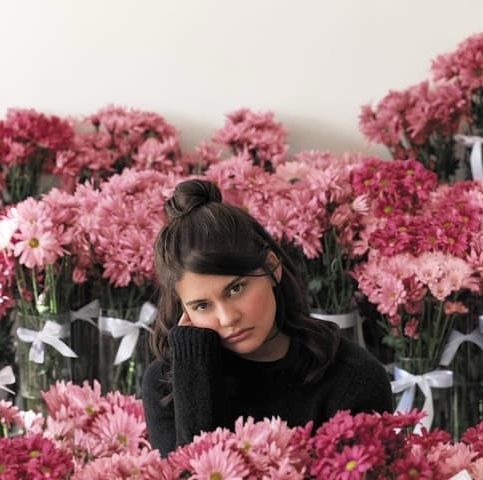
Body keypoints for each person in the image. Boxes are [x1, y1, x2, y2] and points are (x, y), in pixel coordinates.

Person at [142, 178, 393, 457]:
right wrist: (194, 374)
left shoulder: (353, 376)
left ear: (272, 268)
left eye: (236, 289)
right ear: (185, 312)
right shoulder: (166, 385)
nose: (227, 318)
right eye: (202, 306)